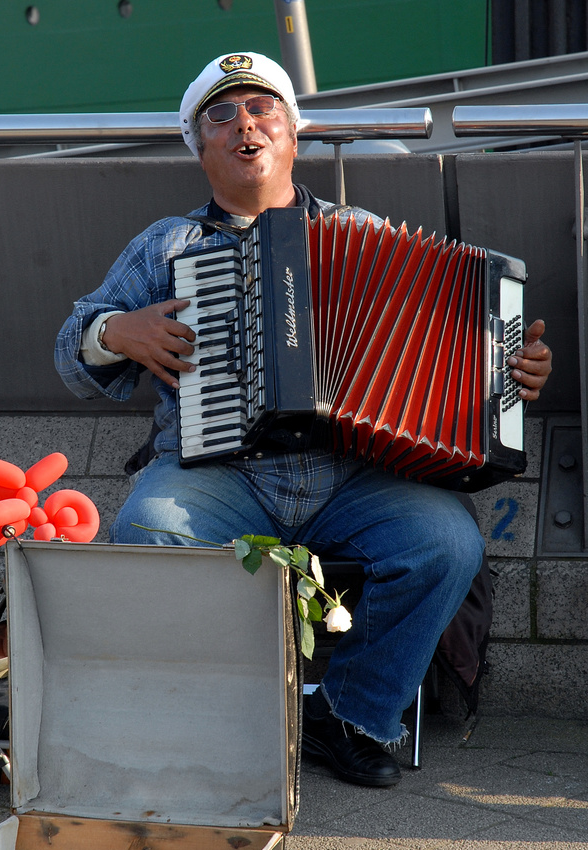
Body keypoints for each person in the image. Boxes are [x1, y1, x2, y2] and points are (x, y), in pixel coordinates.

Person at [55, 52, 552, 788]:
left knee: (447, 542)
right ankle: (219, 719)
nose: (244, 124)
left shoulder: (363, 231)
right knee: (149, 528)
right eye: (220, 115)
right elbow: (71, 354)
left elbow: (439, 345)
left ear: (293, 133)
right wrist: (115, 333)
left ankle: (349, 717)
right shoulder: (166, 244)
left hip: (353, 474)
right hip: (217, 472)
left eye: (262, 109)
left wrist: (507, 372)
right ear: (200, 148)